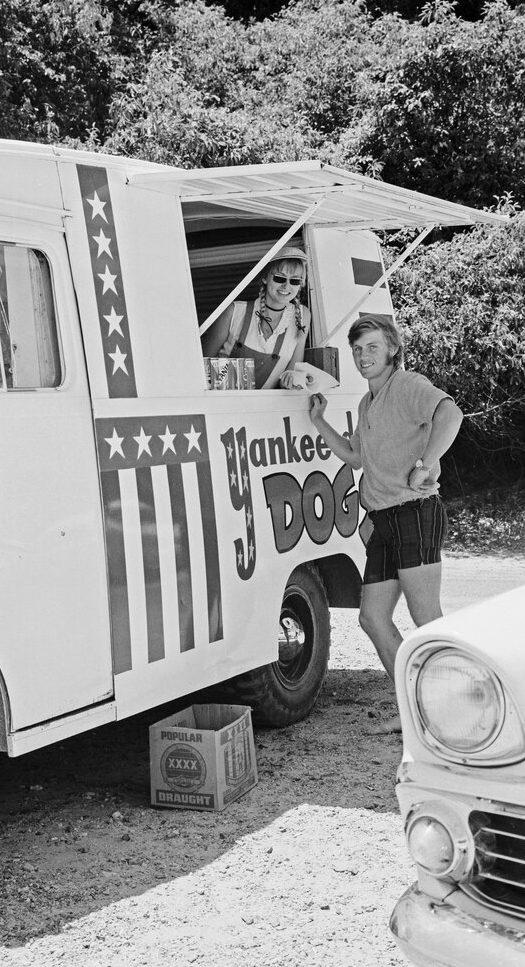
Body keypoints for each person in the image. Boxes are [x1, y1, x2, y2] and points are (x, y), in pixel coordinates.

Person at [307, 313, 463, 734]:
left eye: (372, 347)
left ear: (392, 349)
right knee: (371, 618)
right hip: (382, 521)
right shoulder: (366, 403)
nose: (363, 356)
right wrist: (319, 421)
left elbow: (452, 415)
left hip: (415, 512)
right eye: (357, 350)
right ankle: (416, 710)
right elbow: (357, 457)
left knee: (425, 614)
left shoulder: (408, 385)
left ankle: (453, 707)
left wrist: (425, 464)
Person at [201, 246, 310, 389]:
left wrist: (289, 380)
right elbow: (199, 366)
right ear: (265, 278)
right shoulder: (234, 312)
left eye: (295, 281)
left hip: (264, 408)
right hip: (222, 404)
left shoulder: (302, 316)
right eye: (279, 278)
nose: (286, 286)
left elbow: (295, 369)